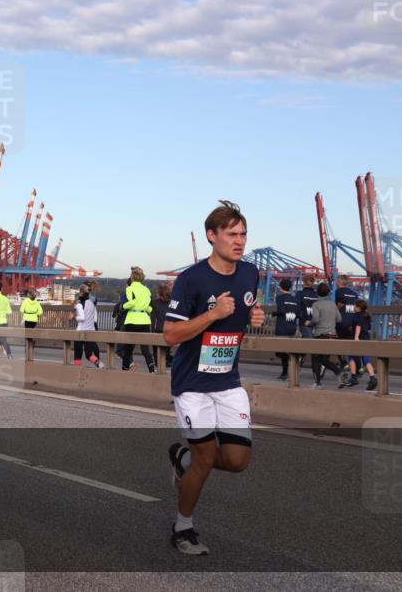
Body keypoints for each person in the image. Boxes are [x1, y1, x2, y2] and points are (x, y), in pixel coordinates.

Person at [163, 201, 265, 556]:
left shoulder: (251, 272)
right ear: (212, 236)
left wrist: (254, 316)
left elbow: (246, 307)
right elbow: (171, 335)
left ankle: (183, 461)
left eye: (243, 234)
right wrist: (212, 314)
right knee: (206, 458)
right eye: (231, 234)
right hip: (192, 385)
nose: (239, 241)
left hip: (228, 381)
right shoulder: (191, 279)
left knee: (237, 461)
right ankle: (183, 528)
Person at [119, 266, 157, 372]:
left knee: (128, 348)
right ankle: (151, 370)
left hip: (132, 320)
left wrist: (123, 306)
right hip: (145, 321)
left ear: (132, 277)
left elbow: (131, 303)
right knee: (145, 349)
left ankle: (125, 369)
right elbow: (149, 308)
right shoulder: (146, 290)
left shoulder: (129, 289)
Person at [306, 282, 341, 388]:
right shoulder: (332, 304)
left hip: (320, 335)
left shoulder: (316, 304)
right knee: (324, 359)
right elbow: (339, 319)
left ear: (318, 293)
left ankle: (318, 383)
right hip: (332, 335)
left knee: (316, 359)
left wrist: (309, 323)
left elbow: (315, 319)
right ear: (328, 293)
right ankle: (338, 372)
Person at [340, 299, 378, 391]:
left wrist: (356, 337)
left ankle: (353, 377)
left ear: (358, 307)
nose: (353, 307)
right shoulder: (367, 316)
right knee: (366, 360)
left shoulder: (356, 316)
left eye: (355, 306)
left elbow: (358, 326)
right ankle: (372, 378)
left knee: (352, 358)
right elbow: (368, 329)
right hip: (366, 339)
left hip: (359, 339)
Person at [273, 278, 299, 380]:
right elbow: (298, 314)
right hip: (292, 327)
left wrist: (274, 313)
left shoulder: (280, 298)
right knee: (286, 349)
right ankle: (289, 367)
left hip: (282, 327)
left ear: (280, 287)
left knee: (279, 351)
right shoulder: (294, 299)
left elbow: (281, 311)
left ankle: (285, 372)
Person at [73, 291, 102, 368]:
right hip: (90, 330)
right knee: (88, 354)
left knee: (77, 354)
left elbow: (82, 318)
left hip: (80, 331)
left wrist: (74, 317)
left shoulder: (79, 305)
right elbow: (95, 319)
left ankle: (77, 370)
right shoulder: (92, 305)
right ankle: (98, 363)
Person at [150, 282, 175, 368]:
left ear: (159, 293)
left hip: (158, 328)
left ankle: (157, 362)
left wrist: (151, 330)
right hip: (169, 328)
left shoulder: (154, 302)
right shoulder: (172, 302)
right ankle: (167, 361)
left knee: (156, 348)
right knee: (167, 348)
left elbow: (152, 318)